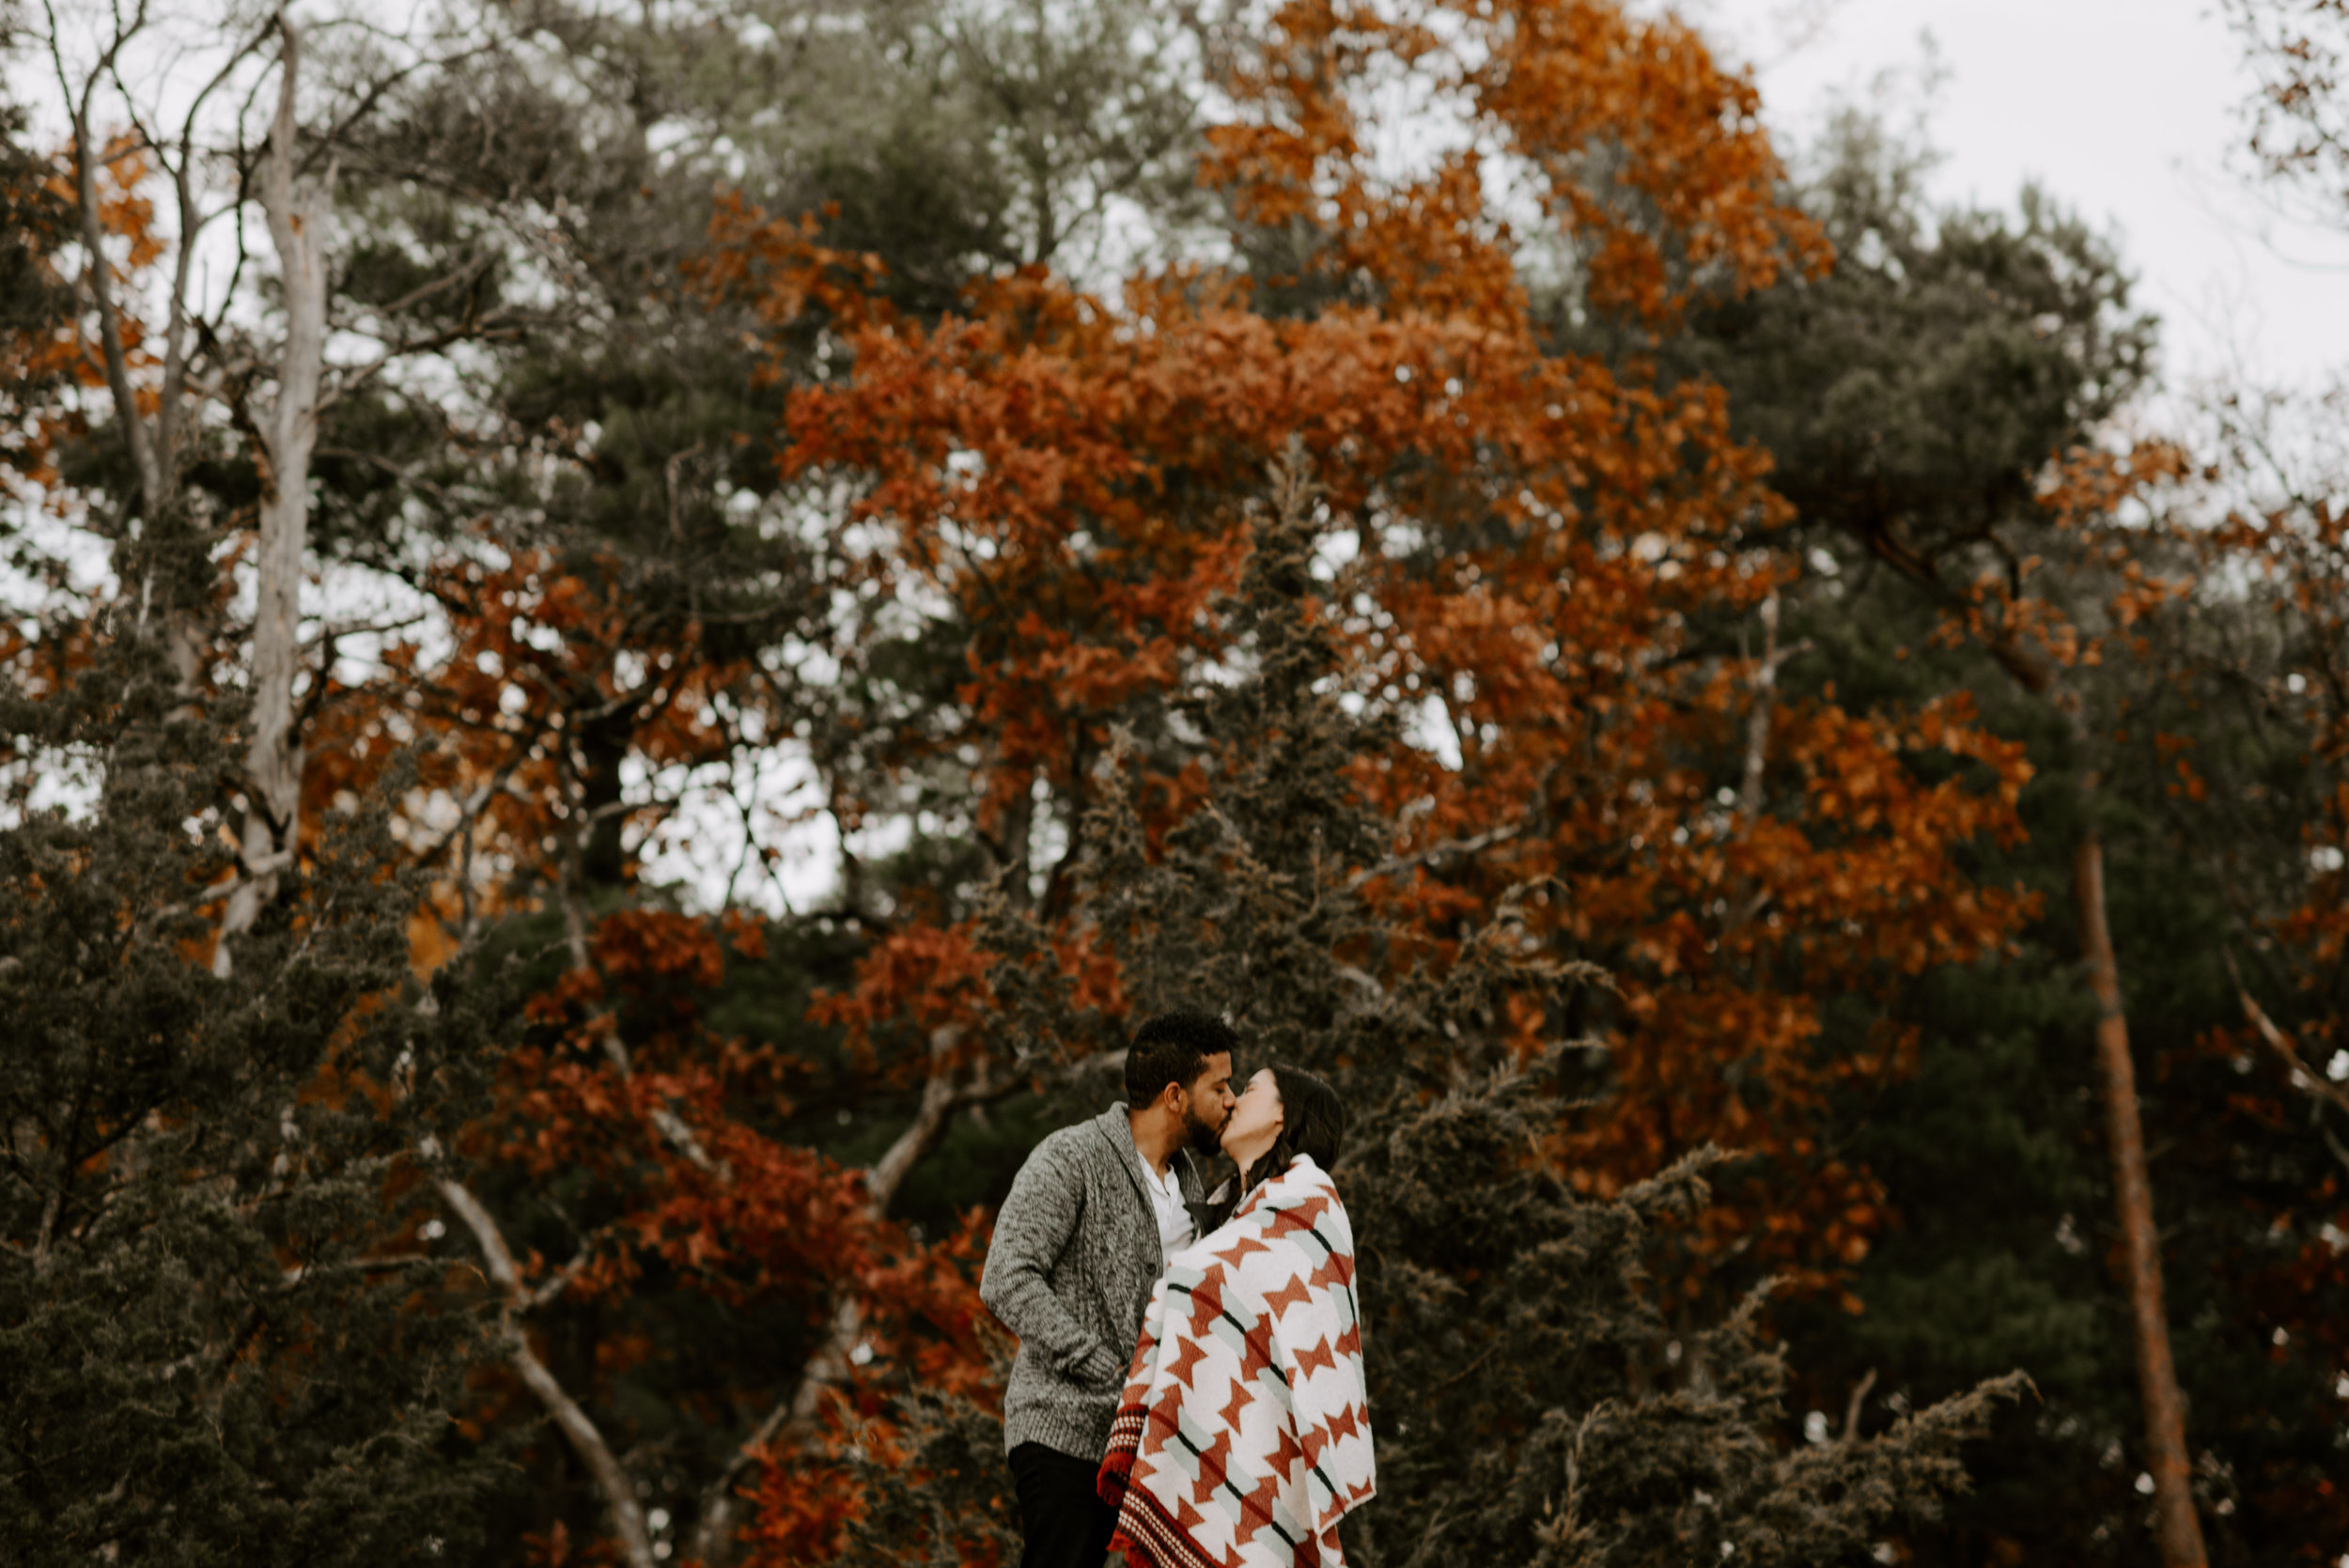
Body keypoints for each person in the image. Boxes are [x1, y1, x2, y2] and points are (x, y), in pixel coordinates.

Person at [980, 1010, 1240, 1568]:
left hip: (1147, 1452)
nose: (1231, 1099)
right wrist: (1101, 1367)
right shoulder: (1070, 1157)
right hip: (1063, 1431)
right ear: (1175, 1095)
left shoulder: (1190, 1184)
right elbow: (1006, 1277)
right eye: (1219, 1086)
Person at [1097, 1065, 1374, 1568]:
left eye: (1247, 1091)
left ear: (1282, 1116)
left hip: (1271, 1452)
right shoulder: (1224, 1211)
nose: (1231, 1102)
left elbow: (1316, 1352)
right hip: (1209, 1447)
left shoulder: (1310, 1205)